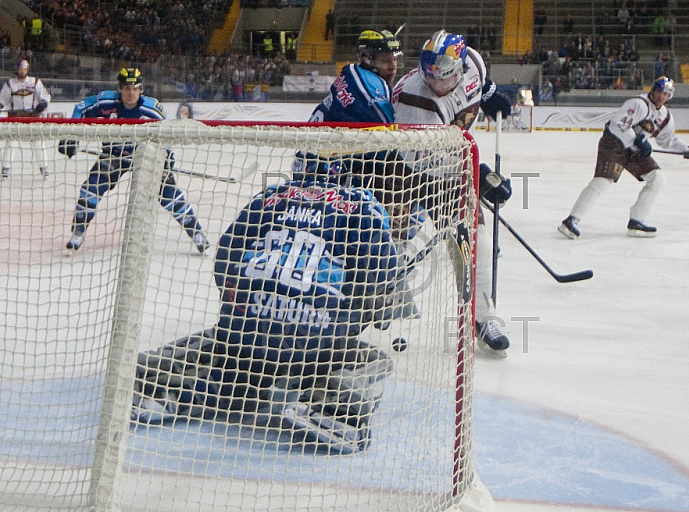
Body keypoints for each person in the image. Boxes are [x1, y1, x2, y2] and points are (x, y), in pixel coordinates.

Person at [130, 176, 401, 455]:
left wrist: (240, 305)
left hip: (247, 336)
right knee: (373, 361)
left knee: (227, 356)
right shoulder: (365, 206)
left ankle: (163, 388)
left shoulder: (273, 195)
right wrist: (358, 319)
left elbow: (226, 252)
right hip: (315, 346)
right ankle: (333, 408)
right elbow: (379, 279)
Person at [391, 30, 514, 356]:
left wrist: (490, 94)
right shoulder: (418, 101)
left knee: (477, 243)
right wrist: (482, 173)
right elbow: (428, 163)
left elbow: (480, 86)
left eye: (445, 79)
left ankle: (483, 317)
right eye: (431, 77)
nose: (438, 85)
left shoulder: (472, 59)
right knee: (391, 242)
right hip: (407, 166)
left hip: (449, 160)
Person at [57, 68, 210, 253]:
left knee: (170, 196)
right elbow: (80, 108)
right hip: (114, 154)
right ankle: (78, 232)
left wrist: (166, 160)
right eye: (127, 88)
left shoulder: (152, 108)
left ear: (141, 89)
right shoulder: (106, 101)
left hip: (145, 156)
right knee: (90, 190)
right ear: (120, 88)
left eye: (136, 88)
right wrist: (71, 135)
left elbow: (166, 136)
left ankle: (196, 233)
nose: (131, 93)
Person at [558, 76, 689, 239]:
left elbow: (667, 140)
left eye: (665, 94)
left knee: (657, 179)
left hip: (636, 150)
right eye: (659, 91)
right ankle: (571, 220)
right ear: (653, 90)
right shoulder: (638, 104)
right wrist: (636, 139)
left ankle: (637, 221)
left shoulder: (665, 117)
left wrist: (688, 151)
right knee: (603, 180)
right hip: (614, 143)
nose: (661, 96)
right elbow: (618, 123)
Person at [309, 29, 401, 123]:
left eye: (395, 59)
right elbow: (389, 129)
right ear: (366, 59)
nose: (393, 67)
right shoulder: (367, 86)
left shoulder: (351, 72)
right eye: (385, 60)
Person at [0, 59, 51, 177]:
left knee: (38, 142)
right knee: (11, 141)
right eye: (20, 68)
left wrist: (43, 103)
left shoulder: (35, 82)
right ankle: (6, 167)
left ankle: (44, 167)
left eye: (24, 68)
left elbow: (45, 96)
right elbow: (3, 99)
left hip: (32, 116)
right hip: (15, 117)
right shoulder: (10, 83)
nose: (22, 71)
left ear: (27, 70)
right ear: (17, 69)